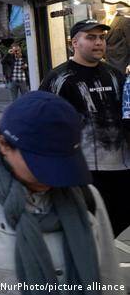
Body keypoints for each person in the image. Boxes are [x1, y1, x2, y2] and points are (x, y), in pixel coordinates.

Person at [0, 92, 123, 293]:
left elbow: (110, 281)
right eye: (43, 163)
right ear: (4, 145)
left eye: (63, 163)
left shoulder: (86, 196)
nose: (54, 176)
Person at [39, 19, 130, 237]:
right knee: (89, 226)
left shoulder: (116, 75)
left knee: (118, 219)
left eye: (101, 38)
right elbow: (44, 123)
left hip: (122, 167)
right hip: (84, 170)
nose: (98, 42)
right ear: (74, 43)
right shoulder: (59, 78)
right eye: (91, 37)